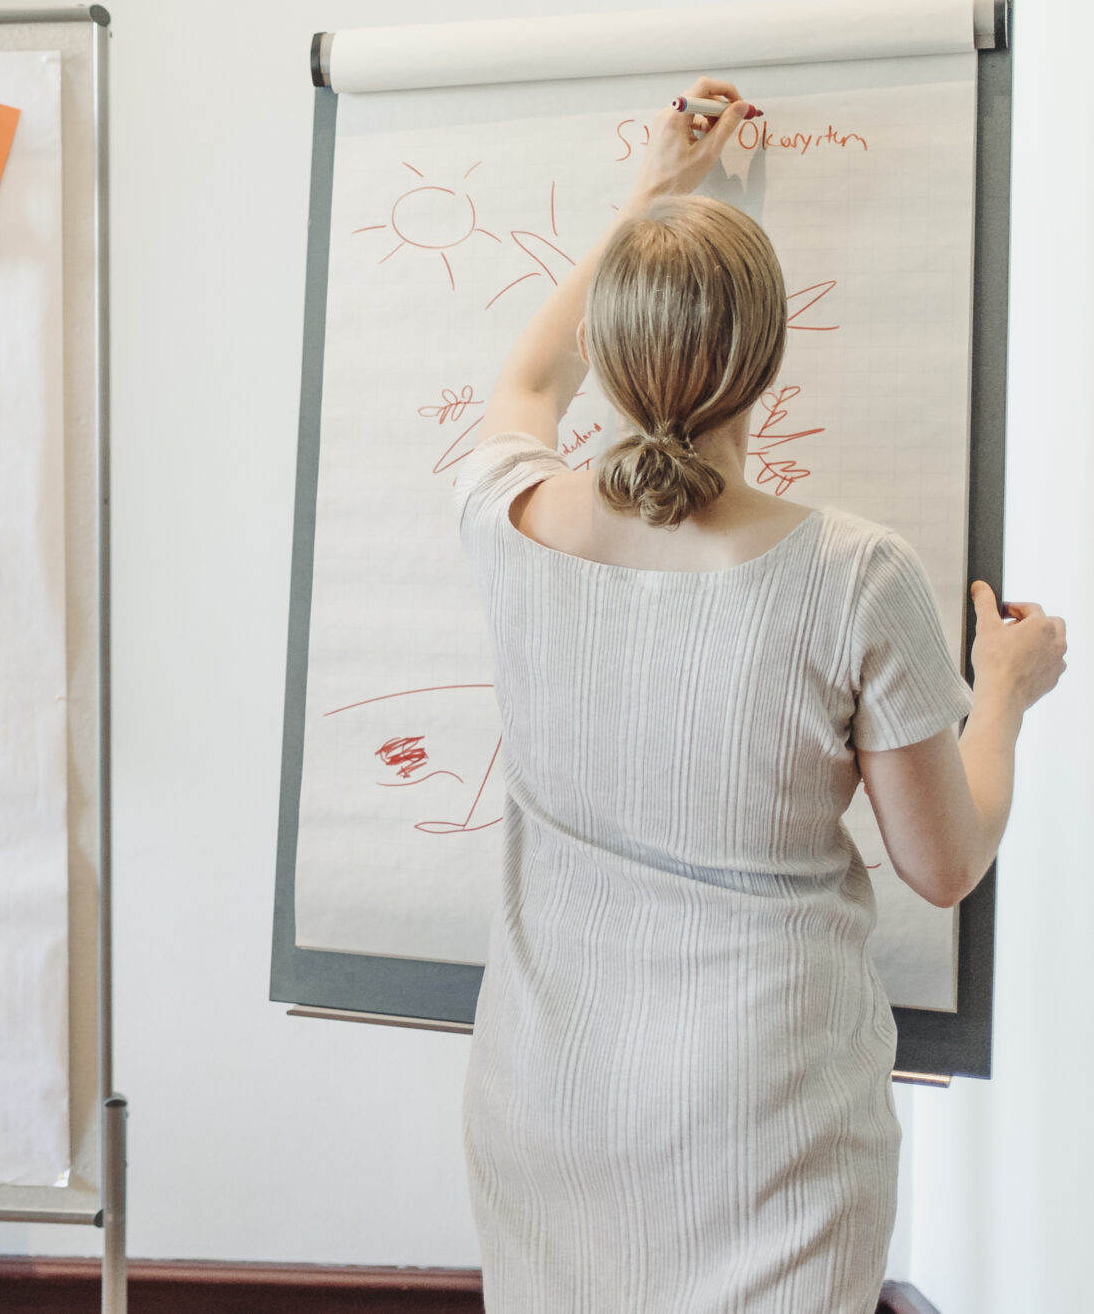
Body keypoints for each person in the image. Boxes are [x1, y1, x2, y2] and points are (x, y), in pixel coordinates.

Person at [456, 78, 1068, 1313]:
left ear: (612, 354)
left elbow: (528, 382)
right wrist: (999, 694)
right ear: (770, 361)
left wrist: (647, 204)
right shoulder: (853, 574)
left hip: (545, 1101)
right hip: (761, 1129)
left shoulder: (502, 516)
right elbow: (941, 864)